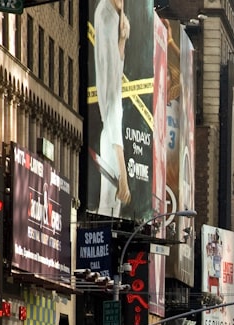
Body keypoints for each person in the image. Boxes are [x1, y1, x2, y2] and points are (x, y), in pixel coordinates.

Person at [93, 0, 131, 216]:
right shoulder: (106, 17)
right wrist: (124, 178)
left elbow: (115, 69)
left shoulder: (111, 16)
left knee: (109, 208)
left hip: (110, 135)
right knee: (108, 208)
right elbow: (111, 102)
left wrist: (122, 39)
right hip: (110, 138)